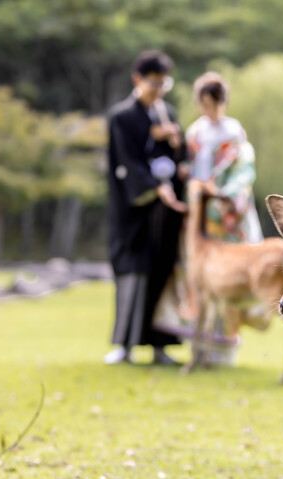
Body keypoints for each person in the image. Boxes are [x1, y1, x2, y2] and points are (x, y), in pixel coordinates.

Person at [103, 50, 189, 365]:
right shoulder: (122, 116)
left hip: (164, 214)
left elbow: (180, 160)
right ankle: (124, 345)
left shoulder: (168, 114)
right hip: (133, 212)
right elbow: (127, 161)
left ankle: (160, 346)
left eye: (163, 84)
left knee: (162, 271)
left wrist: (179, 156)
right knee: (133, 271)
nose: (158, 90)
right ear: (137, 79)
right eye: (153, 83)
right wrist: (155, 188)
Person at [182, 71, 263, 363]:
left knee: (228, 277)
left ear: (222, 102)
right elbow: (190, 167)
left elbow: (243, 170)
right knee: (199, 276)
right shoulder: (195, 133)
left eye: (213, 103)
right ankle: (199, 340)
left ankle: (225, 345)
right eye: (203, 104)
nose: (209, 110)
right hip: (200, 212)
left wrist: (225, 193)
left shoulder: (233, 132)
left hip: (224, 209)